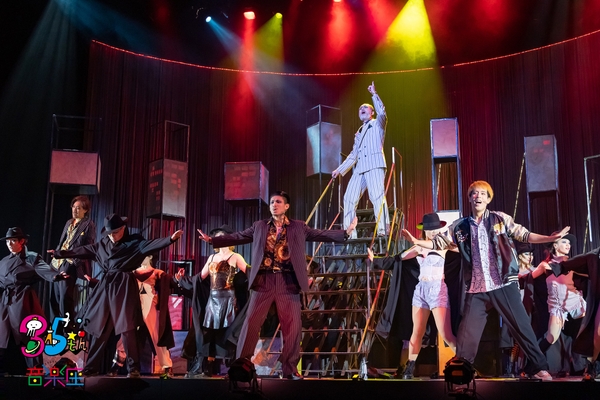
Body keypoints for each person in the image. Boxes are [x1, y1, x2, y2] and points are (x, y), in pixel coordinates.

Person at [403, 180, 570, 381]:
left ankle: (538, 367)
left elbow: (524, 235)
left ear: (488, 199)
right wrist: (416, 241)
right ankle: (462, 372)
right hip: (477, 287)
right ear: (470, 198)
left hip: (503, 283)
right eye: (474, 193)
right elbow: (438, 242)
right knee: (467, 333)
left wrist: (549, 239)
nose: (478, 196)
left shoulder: (500, 219)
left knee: (521, 327)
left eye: (483, 193)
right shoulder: (460, 226)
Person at [197, 190, 357, 380]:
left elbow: (319, 234)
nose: (274, 205)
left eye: (278, 202)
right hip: (263, 281)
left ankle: (290, 369)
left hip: (287, 282)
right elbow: (239, 236)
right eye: (272, 202)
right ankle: (240, 366)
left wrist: (345, 232)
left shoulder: (298, 226)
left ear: (286, 206)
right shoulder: (259, 226)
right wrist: (213, 240)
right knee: (250, 324)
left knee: (293, 327)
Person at [50, 213, 183, 378]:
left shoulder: (134, 243)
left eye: (115, 232)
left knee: (127, 328)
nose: (112, 236)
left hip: (123, 285)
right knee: (100, 328)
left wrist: (170, 239)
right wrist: (60, 253)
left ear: (123, 228)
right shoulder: (103, 244)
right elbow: (83, 250)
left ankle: (133, 369)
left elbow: (151, 244)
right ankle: (91, 367)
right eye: (110, 233)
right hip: (106, 286)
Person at [391, 213, 457, 379]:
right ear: (424, 230)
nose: (433, 232)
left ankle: (467, 362)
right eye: (429, 229)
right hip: (421, 289)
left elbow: (460, 249)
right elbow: (399, 258)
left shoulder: (443, 243)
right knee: (417, 332)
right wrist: (375, 260)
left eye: (435, 229)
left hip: (437, 289)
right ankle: (410, 367)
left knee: (446, 334)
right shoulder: (419, 247)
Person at [177, 225, 248, 378]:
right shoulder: (211, 258)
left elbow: (250, 272)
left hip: (228, 300)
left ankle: (233, 369)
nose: (218, 239)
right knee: (207, 333)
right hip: (213, 300)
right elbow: (199, 278)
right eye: (216, 237)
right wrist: (182, 280)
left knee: (227, 333)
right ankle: (204, 367)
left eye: (221, 236)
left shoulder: (236, 257)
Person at [0, 227, 68, 374]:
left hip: (23, 301)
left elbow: (45, 270)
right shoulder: (4, 261)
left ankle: (36, 369)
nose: (9, 244)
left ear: (22, 241)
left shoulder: (31, 258)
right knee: (2, 336)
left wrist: (56, 276)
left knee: (29, 335)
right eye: (7, 241)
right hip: (6, 302)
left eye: (13, 241)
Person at [331, 81, 389, 238]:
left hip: (374, 165)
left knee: (376, 196)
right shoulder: (358, 132)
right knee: (349, 198)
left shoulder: (378, 124)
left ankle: (383, 230)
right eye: (359, 108)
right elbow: (353, 154)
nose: (361, 109)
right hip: (360, 168)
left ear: (372, 112)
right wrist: (339, 170)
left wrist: (374, 94)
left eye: (365, 107)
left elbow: (382, 112)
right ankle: (350, 234)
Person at [108, 254, 176, 378]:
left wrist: (177, 279)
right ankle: (117, 364)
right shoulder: (132, 272)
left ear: (150, 257)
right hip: (134, 307)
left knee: (157, 336)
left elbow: (170, 281)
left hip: (150, 306)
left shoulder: (157, 272)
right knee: (127, 335)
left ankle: (167, 366)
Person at [548, 246, 600, 380]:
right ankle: (593, 365)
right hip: (563, 307)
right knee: (598, 333)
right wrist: (559, 267)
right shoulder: (595, 256)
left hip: (574, 305)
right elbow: (578, 261)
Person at [531, 234, 585, 357]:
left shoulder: (572, 263)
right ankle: (534, 362)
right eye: (564, 242)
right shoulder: (545, 265)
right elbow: (528, 278)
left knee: (590, 327)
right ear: (555, 245)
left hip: (575, 302)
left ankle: (591, 364)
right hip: (557, 307)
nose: (568, 245)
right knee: (551, 337)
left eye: (569, 243)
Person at [48, 195, 96, 322]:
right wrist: (56, 254)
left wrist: (76, 262)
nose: (75, 210)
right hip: (57, 262)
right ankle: (54, 329)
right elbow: (62, 242)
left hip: (69, 262)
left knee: (65, 298)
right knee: (54, 297)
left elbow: (88, 248)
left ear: (85, 210)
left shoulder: (88, 224)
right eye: (73, 207)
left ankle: (67, 329)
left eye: (78, 208)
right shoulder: (69, 222)